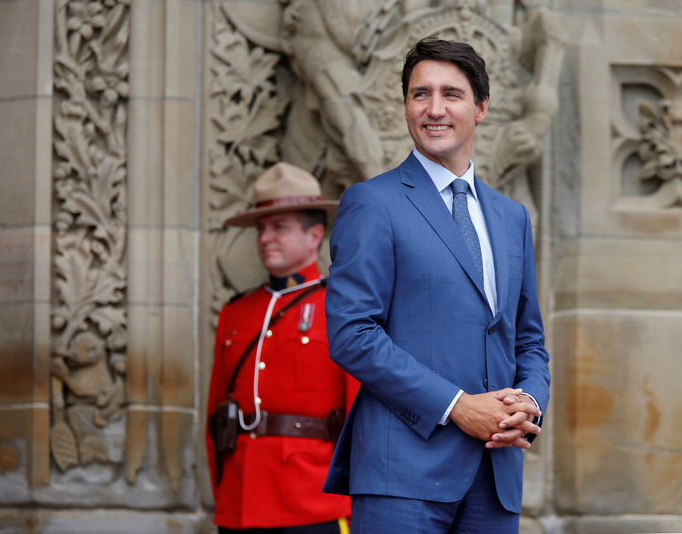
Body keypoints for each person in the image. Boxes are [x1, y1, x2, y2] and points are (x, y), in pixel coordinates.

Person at [322, 38, 551, 533]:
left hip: (496, 476)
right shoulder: (372, 202)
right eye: (419, 94)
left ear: (481, 108)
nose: (434, 109)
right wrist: (457, 407)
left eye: (452, 94)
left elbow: (528, 340)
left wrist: (530, 404)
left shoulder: (513, 219)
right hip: (401, 474)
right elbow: (351, 334)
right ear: (406, 106)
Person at [206, 162, 359, 533]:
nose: (265, 238)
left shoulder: (341, 309)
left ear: (314, 235)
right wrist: (225, 490)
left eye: (280, 227)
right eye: (261, 229)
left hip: (314, 501)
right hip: (241, 501)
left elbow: (359, 418)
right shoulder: (236, 313)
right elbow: (215, 417)